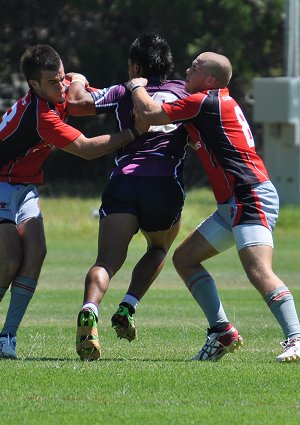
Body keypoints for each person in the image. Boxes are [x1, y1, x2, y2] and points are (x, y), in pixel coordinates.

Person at [124, 51, 300, 362]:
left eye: (196, 66)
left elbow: (149, 114)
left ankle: (296, 337)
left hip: (249, 195)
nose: (188, 68)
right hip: (231, 203)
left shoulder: (202, 101)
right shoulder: (210, 103)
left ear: (211, 80)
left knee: (258, 269)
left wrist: (136, 85)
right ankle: (221, 332)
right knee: (185, 258)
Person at [0, 44, 137, 359]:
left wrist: (84, 82)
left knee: (36, 253)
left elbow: (95, 97)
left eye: (62, 77)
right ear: (34, 85)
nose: (60, 85)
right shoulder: (39, 115)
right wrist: (133, 132)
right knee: (7, 261)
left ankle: (7, 337)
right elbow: (87, 148)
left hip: (25, 187)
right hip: (2, 185)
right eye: (52, 82)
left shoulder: (63, 88)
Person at [67, 32, 189, 361]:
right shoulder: (185, 92)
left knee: (106, 261)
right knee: (159, 247)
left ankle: (89, 309)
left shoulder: (124, 90)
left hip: (123, 181)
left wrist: (78, 79)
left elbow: (76, 104)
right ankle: (127, 307)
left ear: (135, 67)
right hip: (163, 184)